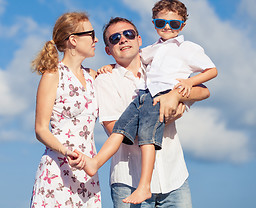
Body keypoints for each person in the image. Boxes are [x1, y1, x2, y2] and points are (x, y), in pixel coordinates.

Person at [81, 15, 212, 207]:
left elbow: (204, 90)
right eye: (115, 38)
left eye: (128, 34)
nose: (123, 39)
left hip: (174, 177)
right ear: (108, 50)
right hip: (128, 181)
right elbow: (115, 131)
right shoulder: (105, 80)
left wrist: (176, 96)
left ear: (139, 40)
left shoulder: (160, 70)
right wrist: (164, 115)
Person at [30, 12, 102, 208]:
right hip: (58, 171)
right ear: (73, 40)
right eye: (91, 34)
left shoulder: (93, 76)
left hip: (87, 172)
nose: (96, 39)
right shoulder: (53, 74)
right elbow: (41, 129)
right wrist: (66, 151)